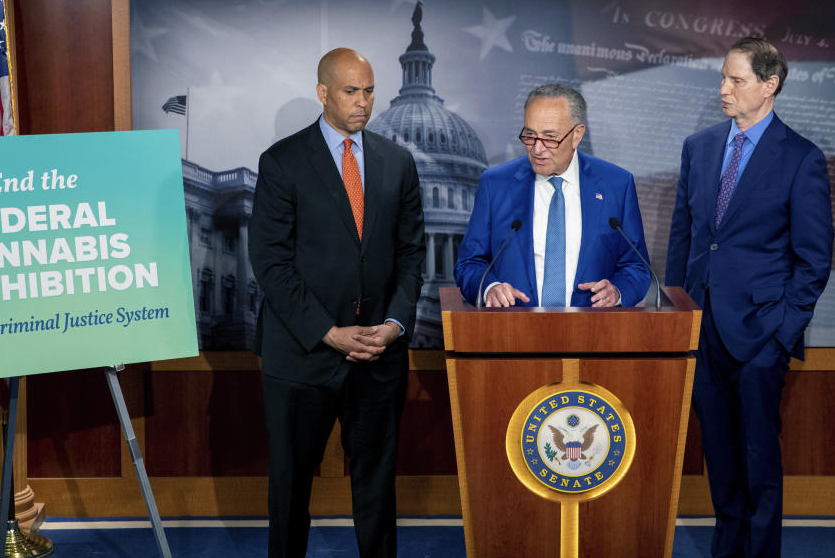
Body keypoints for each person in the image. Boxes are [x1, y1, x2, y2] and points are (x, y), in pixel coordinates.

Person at [248, 48, 426, 558]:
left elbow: (413, 256)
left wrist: (392, 325)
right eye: (351, 91)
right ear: (323, 92)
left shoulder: (398, 162)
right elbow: (271, 263)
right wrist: (328, 331)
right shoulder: (282, 161)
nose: (363, 102)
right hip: (303, 355)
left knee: (376, 489)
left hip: (378, 354)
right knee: (290, 488)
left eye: (370, 91)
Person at [665, 37, 833, 557]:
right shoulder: (700, 147)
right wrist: (679, 317)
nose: (724, 89)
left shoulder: (802, 159)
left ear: (769, 85)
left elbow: (814, 260)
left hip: (762, 336)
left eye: (736, 80)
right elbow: (684, 238)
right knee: (719, 460)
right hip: (703, 331)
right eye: (722, 77)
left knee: (759, 465)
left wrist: (782, 334)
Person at [455, 83, 651, 308]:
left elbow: (636, 266)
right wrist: (490, 288)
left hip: (593, 334)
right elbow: (469, 264)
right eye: (530, 136)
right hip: (512, 333)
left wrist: (617, 291)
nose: (537, 149)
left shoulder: (616, 184)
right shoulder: (496, 184)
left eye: (549, 138)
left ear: (577, 135)